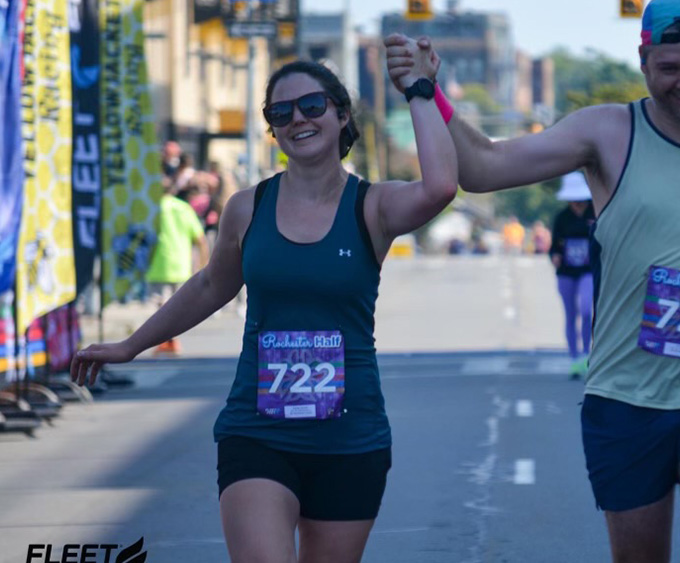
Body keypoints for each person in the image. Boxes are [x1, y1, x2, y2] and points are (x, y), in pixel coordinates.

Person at [386, 0, 680, 559]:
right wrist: (427, 92)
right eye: (669, 69)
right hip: (626, 392)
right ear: (644, 63)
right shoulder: (607, 132)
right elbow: (484, 168)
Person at [71, 58, 457, 562]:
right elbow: (212, 285)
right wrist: (130, 345)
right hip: (258, 432)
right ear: (273, 130)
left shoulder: (372, 207)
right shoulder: (247, 208)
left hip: (350, 436)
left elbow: (441, 186)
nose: (297, 118)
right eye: (281, 112)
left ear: (341, 116)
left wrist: (419, 90)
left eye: (312, 105)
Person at [145, 178, 209, 354]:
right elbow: (200, 239)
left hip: (157, 264)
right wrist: (204, 264)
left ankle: (167, 340)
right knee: (176, 305)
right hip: (180, 264)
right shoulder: (183, 208)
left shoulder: (151, 208)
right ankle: (170, 339)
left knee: (161, 305)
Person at [549, 171, 597, 379]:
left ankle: (587, 353)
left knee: (586, 309)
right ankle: (574, 358)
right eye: (572, 200)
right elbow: (553, 247)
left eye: (580, 200)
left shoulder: (594, 214)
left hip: (587, 270)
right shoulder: (561, 218)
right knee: (571, 314)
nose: (576, 204)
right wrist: (555, 256)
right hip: (566, 272)